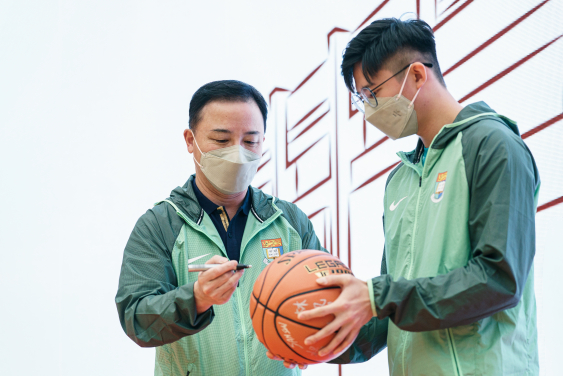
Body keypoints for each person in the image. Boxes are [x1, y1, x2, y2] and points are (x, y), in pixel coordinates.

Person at [286, 18, 540, 375]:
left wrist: (378, 296)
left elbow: (498, 279)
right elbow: (390, 310)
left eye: (372, 92)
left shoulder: (492, 146)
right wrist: (316, 342)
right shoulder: (399, 180)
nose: (368, 108)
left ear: (418, 75)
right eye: (362, 98)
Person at [115, 80, 330, 376]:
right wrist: (197, 299)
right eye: (221, 140)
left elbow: (330, 300)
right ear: (191, 140)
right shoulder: (160, 225)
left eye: (250, 141)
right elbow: (136, 319)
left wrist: (313, 337)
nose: (237, 152)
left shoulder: (289, 220)